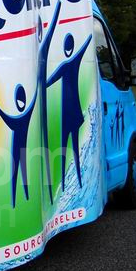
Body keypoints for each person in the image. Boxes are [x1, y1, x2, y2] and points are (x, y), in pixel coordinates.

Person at [47, 32, 93, 189]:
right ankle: (76, 180)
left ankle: (66, 183)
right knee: (73, 148)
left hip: (66, 114)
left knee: (65, 149)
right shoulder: (72, 62)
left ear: (68, 47)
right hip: (74, 112)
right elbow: (84, 46)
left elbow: (48, 81)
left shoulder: (65, 65)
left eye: (67, 46)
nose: (67, 49)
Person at [0, 84, 37, 208]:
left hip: (17, 148)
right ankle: (25, 197)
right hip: (23, 147)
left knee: (16, 176)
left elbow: (9, 120)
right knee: (23, 174)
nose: (21, 104)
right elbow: (34, 100)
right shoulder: (27, 114)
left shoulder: (21, 118)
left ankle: (15, 201)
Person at [37, 1, 62, 202]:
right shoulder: (41, 50)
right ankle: (51, 195)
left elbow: (51, 30)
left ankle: (49, 195)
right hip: (42, 108)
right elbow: (51, 30)